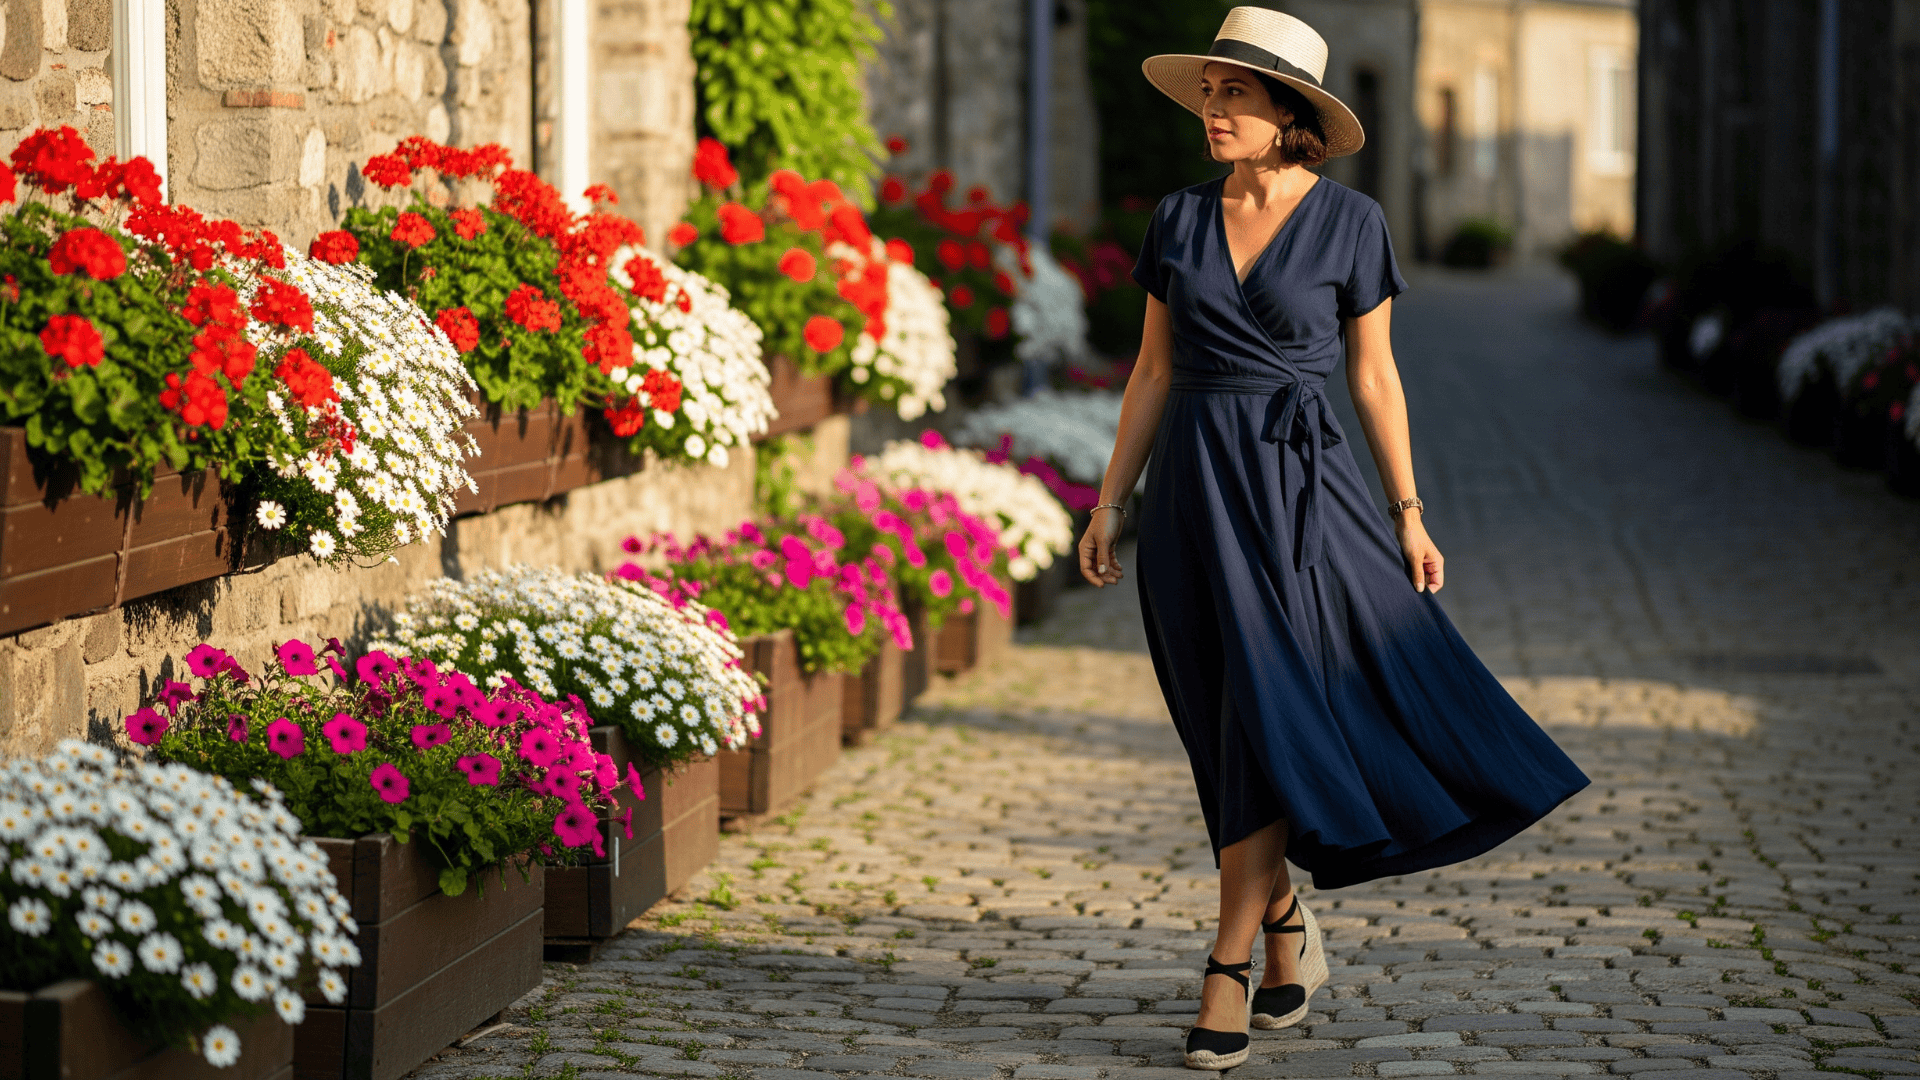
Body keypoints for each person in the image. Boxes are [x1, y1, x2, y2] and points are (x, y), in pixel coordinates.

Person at [1078, 8, 1591, 1070]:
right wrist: (1109, 500)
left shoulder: (1353, 225)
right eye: (1210, 91)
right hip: (1191, 494)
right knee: (1214, 712)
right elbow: (1153, 372)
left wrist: (1409, 512)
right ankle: (1281, 928)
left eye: (1236, 94)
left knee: (1268, 707)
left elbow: (1373, 377)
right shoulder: (1176, 219)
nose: (1214, 109)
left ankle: (1225, 964)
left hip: (1301, 494)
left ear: (1291, 116)